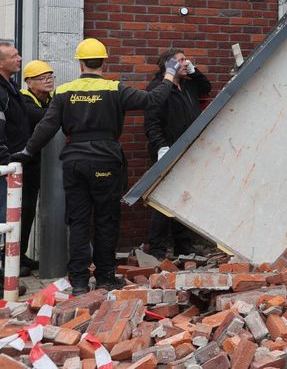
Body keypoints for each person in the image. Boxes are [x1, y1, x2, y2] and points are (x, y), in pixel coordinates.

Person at [13, 38, 177, 294]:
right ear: (103, 61)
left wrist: (26, 152)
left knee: (78, 222)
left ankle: (78, 281)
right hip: (106, 162)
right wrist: (170, 73)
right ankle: (104, 278)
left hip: (75, 163)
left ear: (80, 63)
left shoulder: (64, 92)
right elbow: (154, 100)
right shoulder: (116, 89)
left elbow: (47, 127)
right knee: (106, 221)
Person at [144, 48, 210, 258]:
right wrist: (160, 147)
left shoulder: (188, 85)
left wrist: (194, 71)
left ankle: (184, 245)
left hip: (189, 151)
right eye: (181, 61)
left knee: (184, 198)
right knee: (164, 200)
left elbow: (206, 88)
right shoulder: (157, 88)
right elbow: (152, 122)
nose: (186, 63)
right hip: (168, 150)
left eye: (186, 60)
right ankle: (157, 248)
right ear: (169, 66)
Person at [18, 59, 55, 275]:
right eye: (42, 78)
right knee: (24, 211)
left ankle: (21, 255)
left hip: (44, 165)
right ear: (29, 82)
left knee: (32, 212)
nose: (48, 80)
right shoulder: (24, 101)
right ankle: (15, 257)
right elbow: (45, 119)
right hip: (27, 166)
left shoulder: (50, 100)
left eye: (50, 76)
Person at [0, 43, 31, 274]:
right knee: (3, 218)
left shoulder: (10, 85)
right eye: (14, 56)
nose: (19, 58)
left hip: (14, 164)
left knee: (13, 216)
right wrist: (6, 160)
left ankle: (14, 263)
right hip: (5, 167)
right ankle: (4, 276)